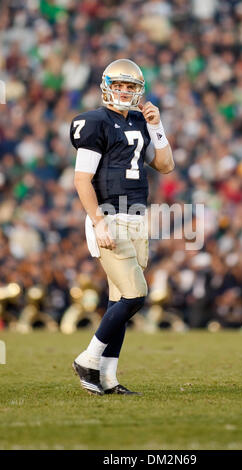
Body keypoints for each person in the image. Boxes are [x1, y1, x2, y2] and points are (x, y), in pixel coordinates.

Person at [70, 59, 174, 395]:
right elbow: (81, 179)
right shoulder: (95, 121)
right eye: (119, 85)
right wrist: (98, 222)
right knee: (135, 293)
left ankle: (109, 379)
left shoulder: (141, 122)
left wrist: (157, 127)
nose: (125, 92)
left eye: (131, 87)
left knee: (120, 301)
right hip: (110, 217)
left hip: (137, 217)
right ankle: (88, 359)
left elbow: (166, 165)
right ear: (106, 86)